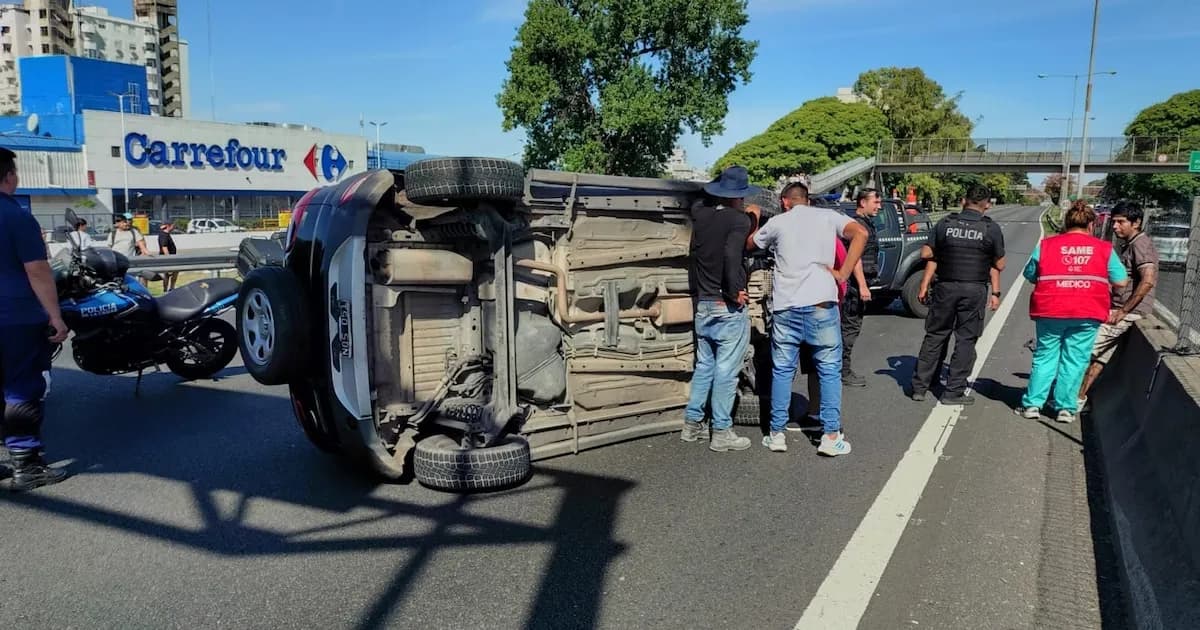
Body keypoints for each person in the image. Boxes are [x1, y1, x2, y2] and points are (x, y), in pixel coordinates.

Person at [746, 175, 869, 456]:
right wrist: (843, 273)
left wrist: (753, 218)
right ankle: (830, 435)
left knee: (782, 371)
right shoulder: (829, 216)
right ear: (808, 199)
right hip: (822, 304)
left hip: (787, 307)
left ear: (784, 202)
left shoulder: (777, 222)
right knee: (828, 371)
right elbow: (861, 234)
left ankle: (776, 434)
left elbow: (751, 244)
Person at [1015, 201, 1129, 423]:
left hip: (1050, 309)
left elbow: (1030, 274)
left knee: (1045, 357)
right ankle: (1065, 408)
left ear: (1066, 224)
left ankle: (1032, 405)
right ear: (1091, 226)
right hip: (1088, 310)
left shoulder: (1047, 245)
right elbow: (1121, 281)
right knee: (1075, 360)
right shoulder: (1104, 249)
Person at [0, 147, 70, 491]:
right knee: (22, 388)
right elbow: (38, 272)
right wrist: (55, 317)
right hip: (14, 319)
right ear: (10, 176)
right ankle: (27, 466)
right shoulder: (16, 217)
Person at [680, 165, 756, 453]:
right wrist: (734, 290)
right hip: (726, 306)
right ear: (739, 196)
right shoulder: (739, 220)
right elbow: (731, 254)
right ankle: (721, 431)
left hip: (703, 304)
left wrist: (718, 183)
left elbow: (701, 197)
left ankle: (692, 425)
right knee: (726, 371)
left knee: (704, 367)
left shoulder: (700, 215)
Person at [910, 185, 1006, 405]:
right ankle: (953, 392)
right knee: (965, 340)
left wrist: (924, 285)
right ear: (987, 205)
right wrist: (996, 291)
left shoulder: (945, 223)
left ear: (964, 200)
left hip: (945, 287)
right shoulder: (990, 229)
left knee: (935, 335)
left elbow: (928, 254)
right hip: (973, 290)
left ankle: (920, 387)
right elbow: (999, 263)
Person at [1076, 200, 1159, 409]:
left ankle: (1068, 398)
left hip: (1127, 312)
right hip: (1118, 309)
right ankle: (1078, 398)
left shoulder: (1141, 244)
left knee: (1082, 351)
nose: (1115, 226)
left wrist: (1123, 310)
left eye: (1121, 222)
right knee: (1099, 359)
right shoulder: (1130, 244)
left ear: (1136, 222)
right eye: (1114, 222)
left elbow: (1148, 280)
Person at [840, 188, 881, 388]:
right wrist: (863, 285)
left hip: (859, 285)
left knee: (851, 328)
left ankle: (842, 369)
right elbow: (854, 258)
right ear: (862, 203)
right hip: (854, 287)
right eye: (876, 202)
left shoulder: (865, 224)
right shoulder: (857, 226)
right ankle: (843, 371)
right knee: (849, 329)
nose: (879, 206)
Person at [158, 221, 179, 291]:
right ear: (168, 226)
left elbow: (161, 228)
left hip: (170, 257)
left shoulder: (164, 233)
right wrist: (169, 259)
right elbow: (164, 247)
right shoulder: (164, 235)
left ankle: (171, 288)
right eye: (173, 226)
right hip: (167, 258)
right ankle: (167, 289)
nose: (174, 227)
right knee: (167, 275)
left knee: (173, 273)